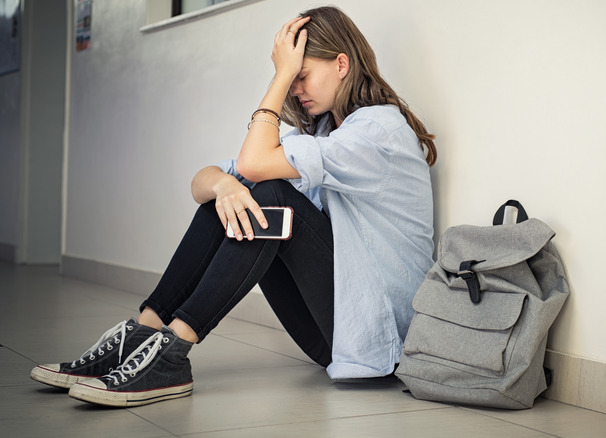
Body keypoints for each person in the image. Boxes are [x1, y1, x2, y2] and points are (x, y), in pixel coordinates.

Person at [29, 6, 437, 407]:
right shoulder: (325, 132)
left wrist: (279, 76)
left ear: (342, 64)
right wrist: (224, 185)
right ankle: (143, 333)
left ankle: (173, 353)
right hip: (337, 335)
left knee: (270, 196)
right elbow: (202, 182)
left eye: (301, 76)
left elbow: (253, 165)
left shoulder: (378, 131)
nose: (295, 89)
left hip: (380, 339)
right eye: (290, 79)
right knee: (227, 199)